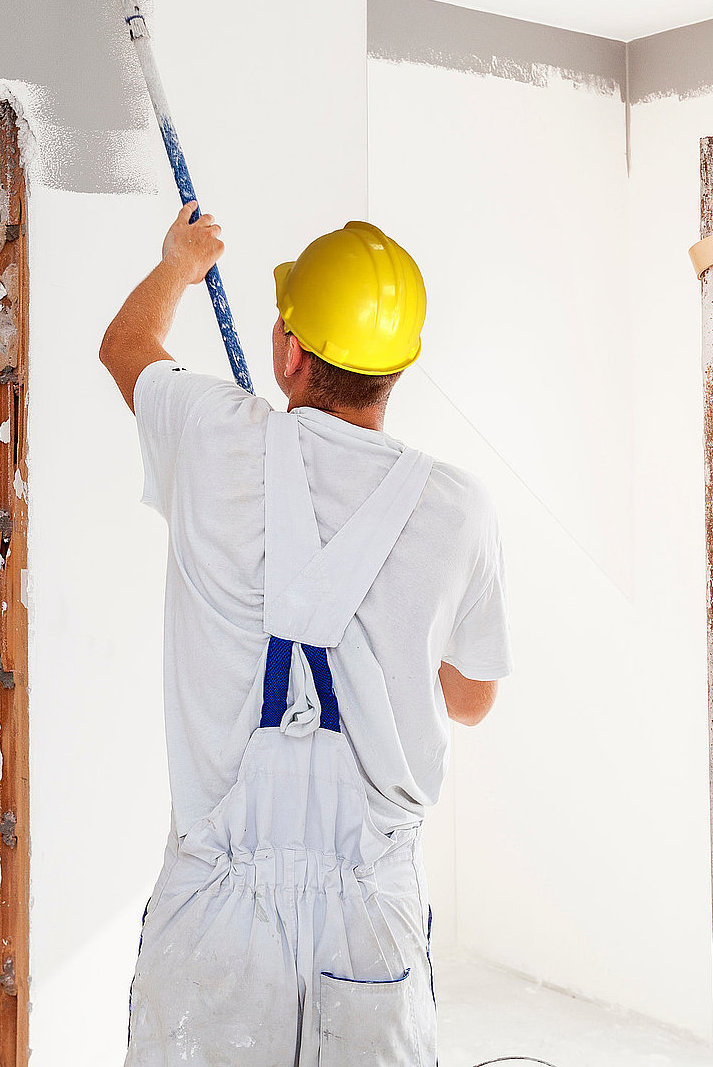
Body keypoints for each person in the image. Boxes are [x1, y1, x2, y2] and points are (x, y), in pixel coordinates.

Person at [99, 201, 511, 1067]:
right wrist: (392, 644)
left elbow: (125, 348)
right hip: (372, 919)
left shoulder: (211, 436)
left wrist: (181, 261)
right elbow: (471, 701)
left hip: (216, 915)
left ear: (288, 350)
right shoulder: (459, 509)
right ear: (399, 368)